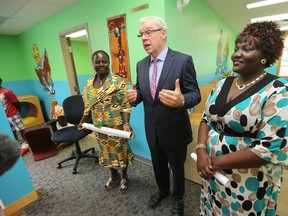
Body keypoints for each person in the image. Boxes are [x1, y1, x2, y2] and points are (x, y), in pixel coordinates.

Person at [196, 21, 288, 216]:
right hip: (212, 173)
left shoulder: (278, 90)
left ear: (265, 56)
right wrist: (201, 150)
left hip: (246, 181)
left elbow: (268, 148)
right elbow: (206, 119)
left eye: (246, 49)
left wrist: (213, 161)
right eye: (236, 48)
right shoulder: (223, 83)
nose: (236, 53)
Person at [127, 16, 201, 216]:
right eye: (141, 34)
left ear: (163, 33)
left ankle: (178, 197)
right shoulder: (141, 65)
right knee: (158, 166)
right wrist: (135, 97)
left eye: (148, 32)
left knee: (177, 168)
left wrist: (181, 100)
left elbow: (195, 94)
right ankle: (162, 191)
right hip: (152, 128)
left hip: (175, 129)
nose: (144, 38)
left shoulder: (183, 60)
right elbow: (143, 94)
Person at [78, 50, 135, 194]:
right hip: (100, 128)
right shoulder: (88, 84)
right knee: (106, 153)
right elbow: (87, 107)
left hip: (117, 127)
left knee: (121, 152)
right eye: (97, 62)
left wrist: (126, 124)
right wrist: (82, 121)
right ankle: (113, 175)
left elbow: (125, 106)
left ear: (108, 62)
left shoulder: (117, 81)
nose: (101, 64)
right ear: (93, 64)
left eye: (104, 61)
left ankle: (124, 176)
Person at [0, 78, 28, 147]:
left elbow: (16, 102)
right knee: (11, 129)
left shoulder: (7, 91)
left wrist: (17, 111)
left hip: (12, 113)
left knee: (21, 128)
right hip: (4, 116)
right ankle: (17, 141)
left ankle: (26, 141)